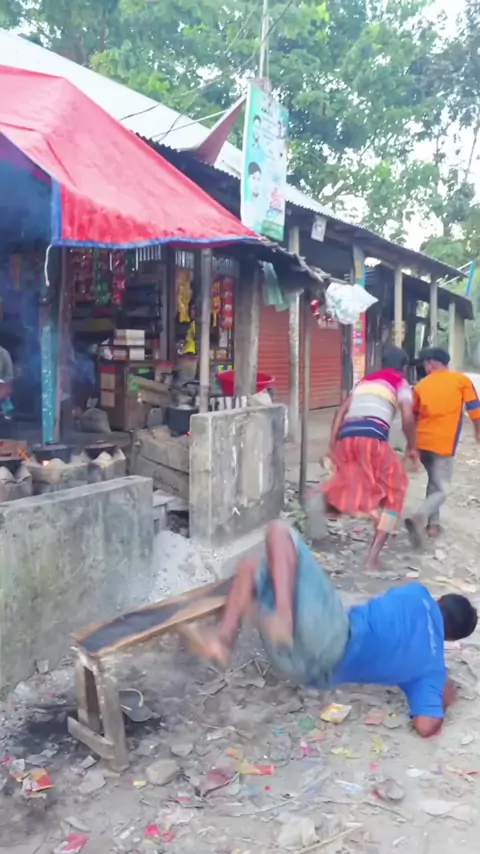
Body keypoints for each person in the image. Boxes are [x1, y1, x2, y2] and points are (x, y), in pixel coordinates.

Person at [185, 522, 477, 738]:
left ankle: (238, 634)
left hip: (334, 636)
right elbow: (425, 726)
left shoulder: (418, 594)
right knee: (253, 568)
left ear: (440, 601)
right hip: (304, 672)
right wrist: (444, 699)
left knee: (277, 533)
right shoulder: (432, 669)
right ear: (451, 638)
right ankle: (239, 635)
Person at [319, 346, 418, 570]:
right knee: (396, 490)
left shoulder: (363, 382)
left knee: (354, 479)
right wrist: (413, 447)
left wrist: (332, 446)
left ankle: (331, 506)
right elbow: (407, 417)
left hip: (346, 437)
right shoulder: (400, 383)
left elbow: (340, 413)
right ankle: (372, 558)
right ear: (403, 368)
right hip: (372, 438)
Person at [405, 346, 480, 545]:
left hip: (422, 443)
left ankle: (433, 525)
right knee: (444, 488)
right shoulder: (461, 380)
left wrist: (410, 446)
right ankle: (421, 516)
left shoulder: (421, 386)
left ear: (431, 363)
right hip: (443, 446)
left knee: (435, 482)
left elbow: (412, 416)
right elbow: (475, 409)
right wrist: (478, 431)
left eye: (424, 364)